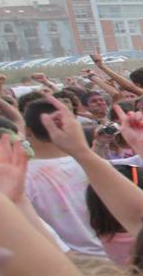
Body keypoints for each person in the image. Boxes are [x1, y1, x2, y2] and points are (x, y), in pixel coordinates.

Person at [19, 98, 107, 257]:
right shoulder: (97, 165)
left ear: (27, 131)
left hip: (66, 265)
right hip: (114, 259)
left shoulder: (19, 180)